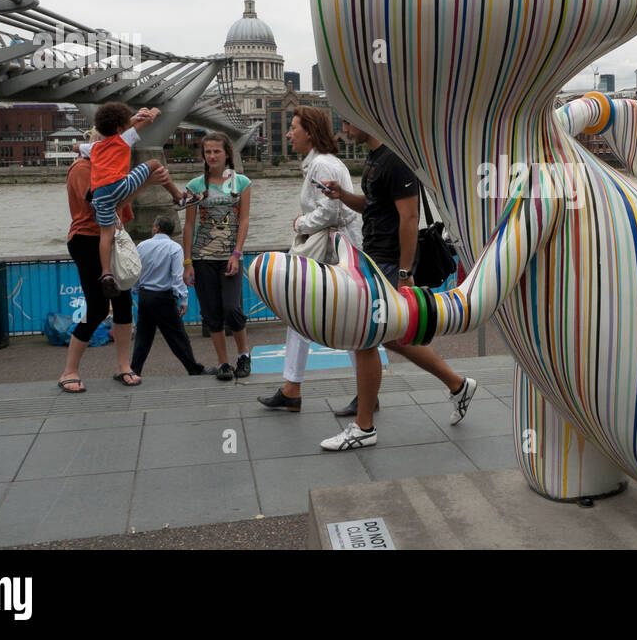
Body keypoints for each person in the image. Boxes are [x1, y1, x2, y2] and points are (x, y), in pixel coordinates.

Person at [315, 121, 478, 449]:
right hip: (376, 256)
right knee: (390, 337)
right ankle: (458, 385)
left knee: (365, 338)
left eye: (347, 122)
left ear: (362, 119)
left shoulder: (395, 159)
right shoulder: (375, 159)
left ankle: (364, 427)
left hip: (390, 260)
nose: (344, 129)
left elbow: (409, 216)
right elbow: (373, 206)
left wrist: (405, 273)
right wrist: (342, 195)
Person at [257, 107, 361, 411]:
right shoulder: (319, 164)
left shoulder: (322, 166)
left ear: (310, 132)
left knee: (324, 316)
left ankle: (298, 389)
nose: (289, 134)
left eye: (293, 128)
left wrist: (300, 223)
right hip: (335, 252)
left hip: (334, 254)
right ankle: (293, 388)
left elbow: (334, 211)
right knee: (308, 315)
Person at [58, 137, 171, 391]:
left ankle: (123, 367)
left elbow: (119, 209)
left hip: (111, 239)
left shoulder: (108, 170)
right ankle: (69, 371)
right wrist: (144, 184)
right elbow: (105, 206)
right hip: (87, 240)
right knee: (98, 307)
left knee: (123, 304)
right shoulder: (82, 169)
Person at [85, 102, 200, 299]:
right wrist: (151, 111)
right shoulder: (123, 140)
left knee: (106, 234)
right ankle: (179, 198)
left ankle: (106, 272)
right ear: (121, 128)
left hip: (99, 194)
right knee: (154, 164)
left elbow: (77, 148)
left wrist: (129, 121)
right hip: (119, 185)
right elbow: (149, 119)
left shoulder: (94, 147)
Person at [183, 132, 253, 380]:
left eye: (217, 151)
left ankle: (243, 355)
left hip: (230, 257)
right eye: (208, 152)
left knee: (232, 309)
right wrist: (187, 262)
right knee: (211, 313)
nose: (212, 156)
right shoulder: (195, 186)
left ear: (227, 154)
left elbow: (244, 219)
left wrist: (237, 252)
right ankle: (223, 363)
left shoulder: (241, 183)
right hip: (202, 258)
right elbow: (189, 226)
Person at [128, 216, 209, 378]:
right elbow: (177, 277)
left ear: (157, 227)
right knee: (177, 336)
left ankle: (134, 370)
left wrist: (136, 289)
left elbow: (135, 270)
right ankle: (194, 368)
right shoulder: (174, 248)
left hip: (145, 296)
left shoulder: (142, 246)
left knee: (143, 336)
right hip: (163, 297)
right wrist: (183, 298)